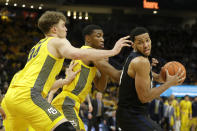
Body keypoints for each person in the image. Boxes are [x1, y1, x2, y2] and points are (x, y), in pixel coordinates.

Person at [1, 11, 131, 131]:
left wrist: (65, 81)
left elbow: (39, 81)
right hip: (29, 97)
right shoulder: (58, 41)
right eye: (63, 25)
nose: (66, 29)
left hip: (10, 99)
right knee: (66, 128)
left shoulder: (38, 47)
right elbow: (75, 53)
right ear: (54, 29)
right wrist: (113, 51)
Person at [48, 24, 128, 131]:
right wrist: (140, 68)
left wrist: (104, 70)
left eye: (103, 36)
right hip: (66, 103)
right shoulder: (89, 54)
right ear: (88, 38)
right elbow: (117, 75)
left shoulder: (89, 58)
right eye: (98, 36)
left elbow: (100, 87)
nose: (102, 39)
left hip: (71, 104)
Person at [116, 27, 185, 131]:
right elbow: (145, 97)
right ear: (133, 45)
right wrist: (168, 84)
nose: (146, 45)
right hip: (131, 115)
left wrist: (162, 76)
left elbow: (153, 77)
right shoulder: (141, 62)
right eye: (140, 42)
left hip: (129, 114)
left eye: (147, 40)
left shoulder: (137, 58)